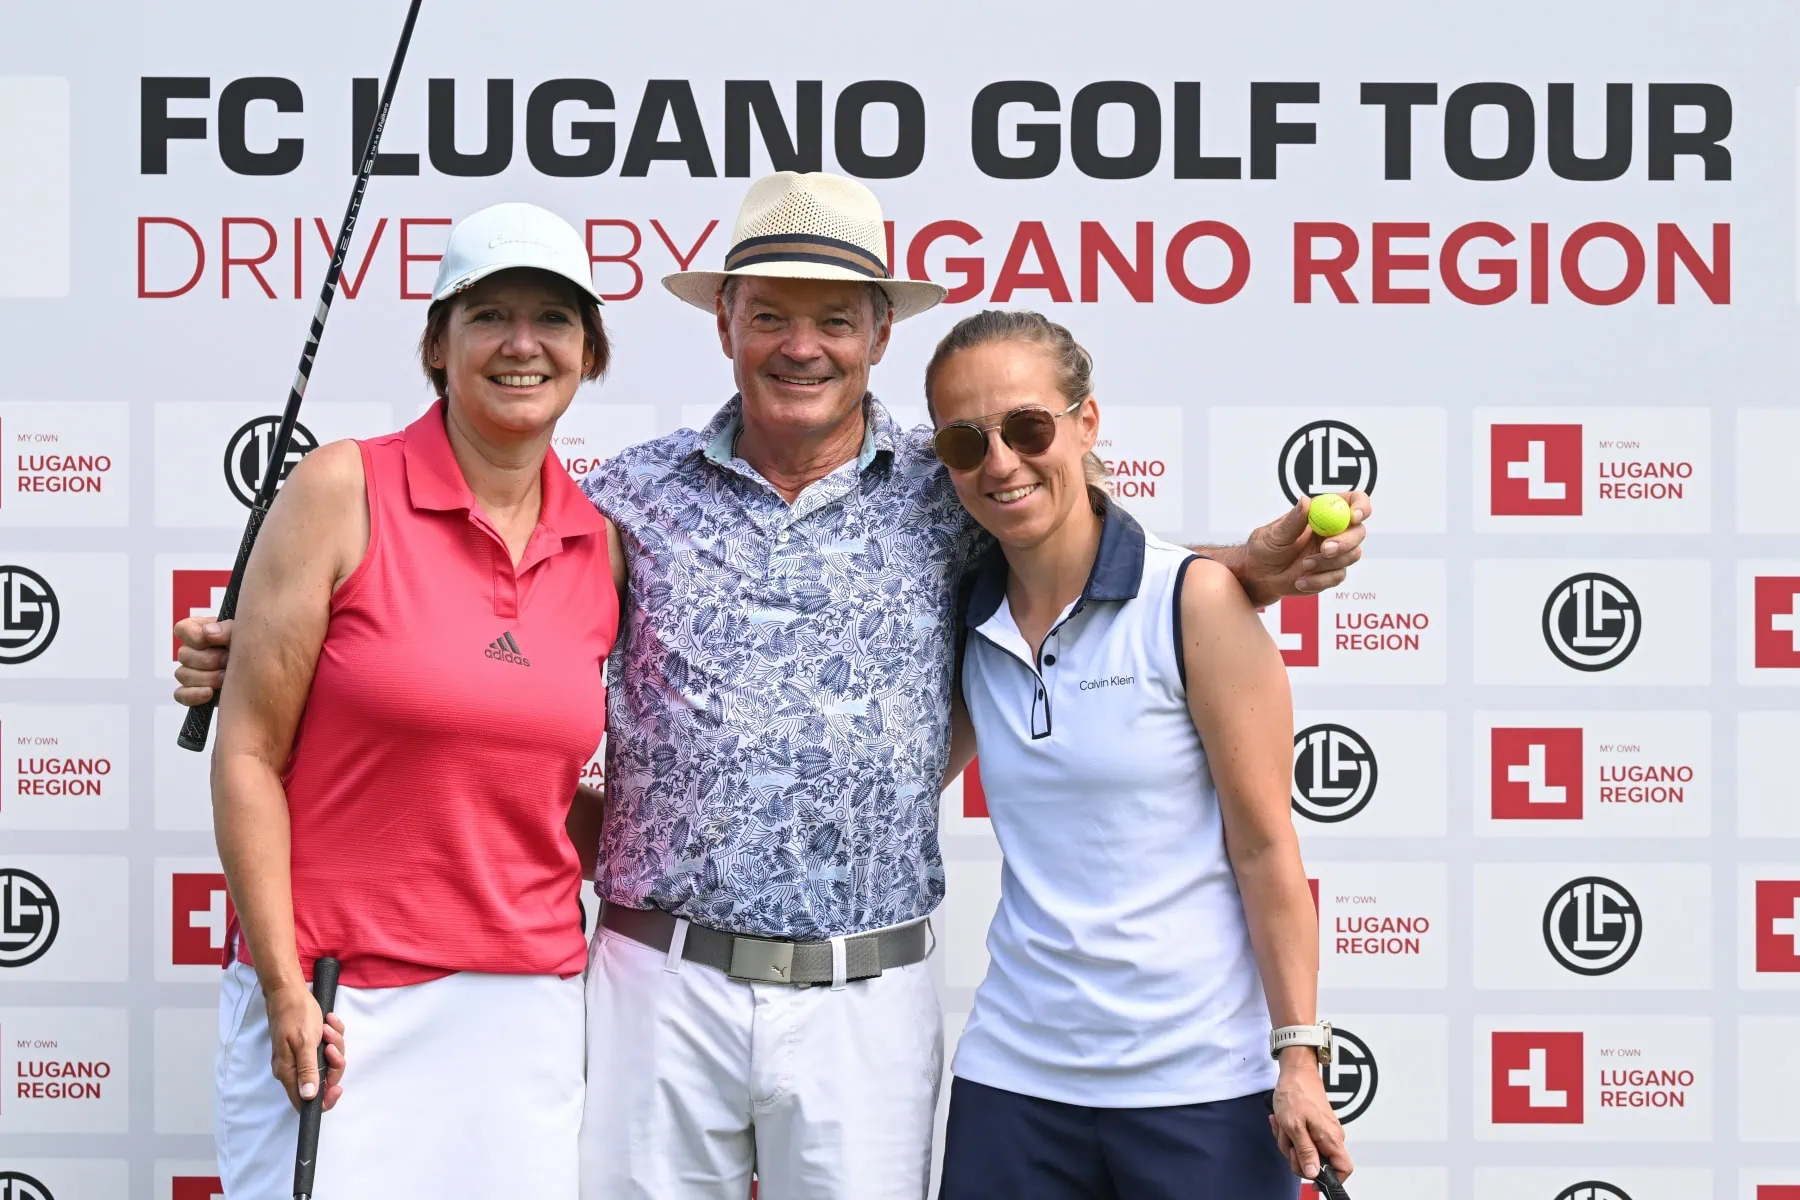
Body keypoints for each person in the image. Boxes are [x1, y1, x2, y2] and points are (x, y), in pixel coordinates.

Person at [175, 171, 1371, 1200]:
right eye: (771, 315)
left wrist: (1242, 568)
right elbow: (454, 623)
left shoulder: (952, 481)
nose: (804, 346)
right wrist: (261, 647)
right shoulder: (623, 499)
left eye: (836, 318)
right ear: (726, 324)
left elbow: (1074, 544)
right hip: (655, 984)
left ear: (880, 335)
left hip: (869, 995)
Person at [201, 202, 621, 1199]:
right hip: (338, 996)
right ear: (438, 344)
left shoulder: (600, 543)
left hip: (525, 1005)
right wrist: (283, 986)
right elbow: (249, 754)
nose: (522, 344)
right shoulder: (341, 488)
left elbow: (531, 778)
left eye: (554, 319)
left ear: (589, 353)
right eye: (489, 316)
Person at [923, 310, 1350, 1199]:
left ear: (1085, 423)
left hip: (1200, 1085)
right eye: (965, 442)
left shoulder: (1195, 601)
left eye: (1027, 428)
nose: (1000, 463)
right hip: (1014, 1081)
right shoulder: (962, 615)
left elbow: (1266, 848)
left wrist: (1298, 1056)